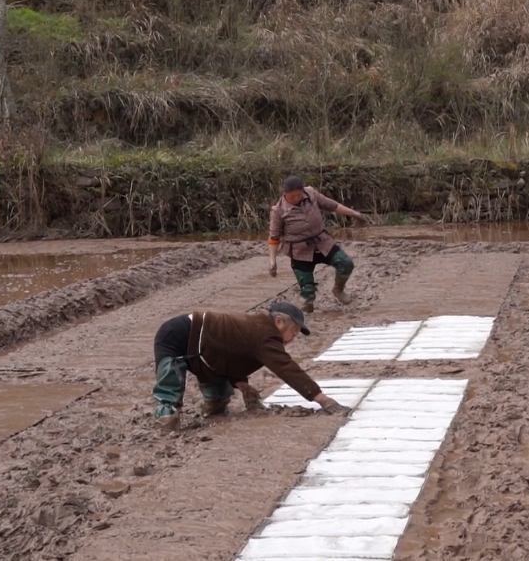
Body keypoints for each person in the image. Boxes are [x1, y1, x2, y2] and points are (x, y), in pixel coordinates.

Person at [151, 301, 347, 432]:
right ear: (279, 322)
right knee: (170, 393)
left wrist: (241, 383)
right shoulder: (265, 335)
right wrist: (322, 399)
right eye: (293, 333)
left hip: (205, 348)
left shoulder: (257, 328)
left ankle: (213, 414)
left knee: (219, 398)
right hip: (175, 336)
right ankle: (164, 431)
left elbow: (231, 351)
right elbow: (287, 368)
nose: (292, 339)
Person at [268, 176, 369, 313]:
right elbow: (274, 237)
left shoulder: (311, 194)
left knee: (345, 264)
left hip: (322, 242)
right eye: (291, 196)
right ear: (284, 194)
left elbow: (332, 205)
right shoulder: (278, 211)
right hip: (300, 250)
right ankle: (308, 302)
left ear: (303, 191)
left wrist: (353, 213)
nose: (295, 198)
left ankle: (338, 289)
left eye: (298, 195)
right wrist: (273, 262)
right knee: (307, 288)